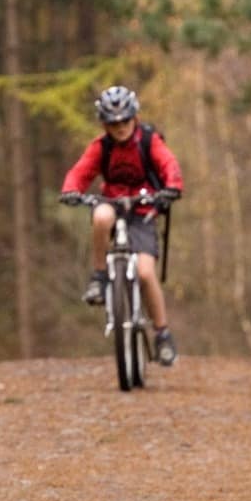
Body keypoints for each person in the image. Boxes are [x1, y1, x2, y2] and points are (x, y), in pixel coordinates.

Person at [60, 84, 183, 366]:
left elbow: (169, 165)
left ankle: (162, 333)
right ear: (105, 124)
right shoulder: (100, 147)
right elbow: (80, 172)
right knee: (101, 216)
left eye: (125, 120)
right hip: (113, 204)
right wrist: (71, 190)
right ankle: (100, 276)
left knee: (144, 272)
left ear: (134, 118)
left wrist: (172, 187)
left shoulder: (149, 141)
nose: (120, 127)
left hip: (143, 210)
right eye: (113, 123)